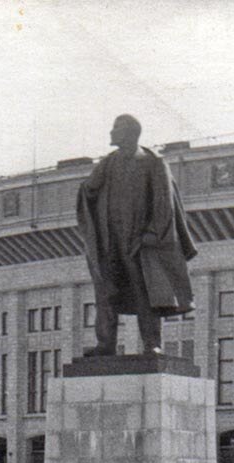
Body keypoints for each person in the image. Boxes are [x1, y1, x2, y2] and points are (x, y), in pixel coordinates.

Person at [75, 114, 198, 358]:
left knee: (147, 293)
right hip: (112, 240)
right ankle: (106, 343)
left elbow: (164, 203)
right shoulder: (108, 163)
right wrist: (87, 190)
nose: (111, 133)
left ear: (130, 132)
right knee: (106, 289)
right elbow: (89, 190)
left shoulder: (152, 162)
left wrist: (152, 235)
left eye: (115, 128)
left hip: (141, 241)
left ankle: (152, 343)